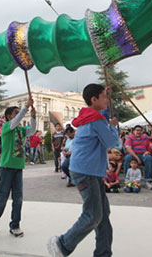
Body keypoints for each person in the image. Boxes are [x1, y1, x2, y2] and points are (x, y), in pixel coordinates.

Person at [47, 84, 119, 257]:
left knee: (102, 214)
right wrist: (113, 126)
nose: (106, 100)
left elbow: (103, 116)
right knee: (93, 215)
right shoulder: (95, 120)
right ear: (94, 99)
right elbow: (110, 142)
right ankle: (63, 244)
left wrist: (107, 110)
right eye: (103, 97)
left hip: (88, 170)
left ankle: (103, 253)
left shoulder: (90, 116)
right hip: (86, 171)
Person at [0, 98, 36, 237]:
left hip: (18, 167)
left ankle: (15, 225)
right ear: (9, 116)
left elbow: (32, 130)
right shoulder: (7, 127)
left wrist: (33, 117)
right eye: (16, 113)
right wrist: (25, 107)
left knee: (18, 198)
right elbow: (15, 122)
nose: (19, 115)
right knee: (2, 197)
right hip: (7, 166)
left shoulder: (21, 129)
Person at [124, 125, 152, 190]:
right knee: (127, 158)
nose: (139, 132)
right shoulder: (129, 138)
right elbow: (129, 149)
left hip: (143, 154)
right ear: (133, 131)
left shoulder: (145, 138)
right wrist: (137, 158)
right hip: (133, 154)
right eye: (137, 130)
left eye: (140, 130)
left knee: (149, 158)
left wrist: (148, 151)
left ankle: (148, 180)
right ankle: (127, 180)